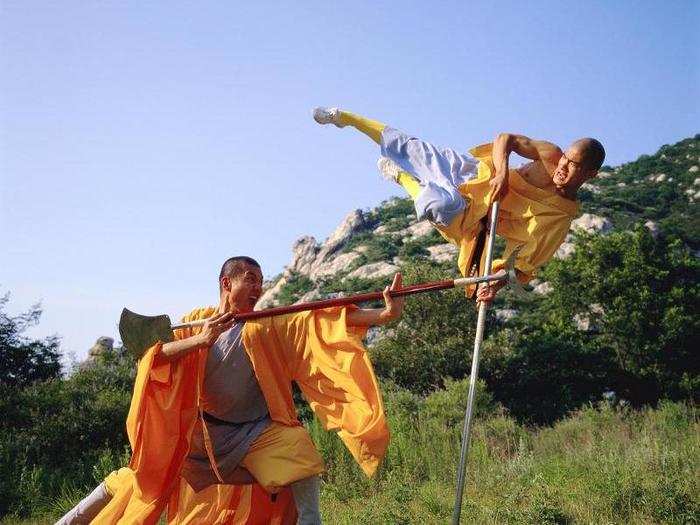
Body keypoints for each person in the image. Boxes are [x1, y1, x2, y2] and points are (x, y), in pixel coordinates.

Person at [57, 256, 403, 524]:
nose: (258, 288)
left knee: (302, 458)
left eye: (261, 283)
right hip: (199, 434)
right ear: (227, 282)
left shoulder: (266, 323)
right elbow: (154, 357)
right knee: (142, 479)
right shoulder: (196, 319)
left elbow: (317, 319)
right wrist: (201, 339)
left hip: (254, 433)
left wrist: (382, 316)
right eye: (250, 280)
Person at [312, 107, 605, 302]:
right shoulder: (549, 154)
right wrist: (502, 173)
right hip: (476, 173)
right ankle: (346, 117)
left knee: (439, 205)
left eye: (574, 165)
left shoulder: (560, 217)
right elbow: (505, 139)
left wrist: (494, 283)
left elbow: (525, 263)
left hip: (474, 218)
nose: (563, 167)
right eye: (566, 158)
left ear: (590, 174)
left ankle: (402, 178)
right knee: (412, 148)